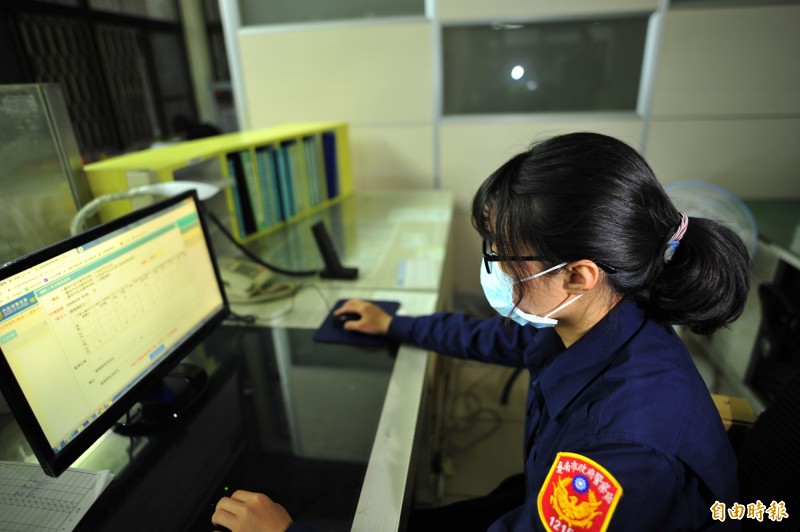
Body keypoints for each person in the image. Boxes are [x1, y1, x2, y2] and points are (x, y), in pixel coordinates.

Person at [212, 132, 750, 531]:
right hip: (528, 499)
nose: (491, 265)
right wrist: (394, 324)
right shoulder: (607, 319)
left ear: (578, 274)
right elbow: (497, 339)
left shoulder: (618, 447)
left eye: (502, 252)